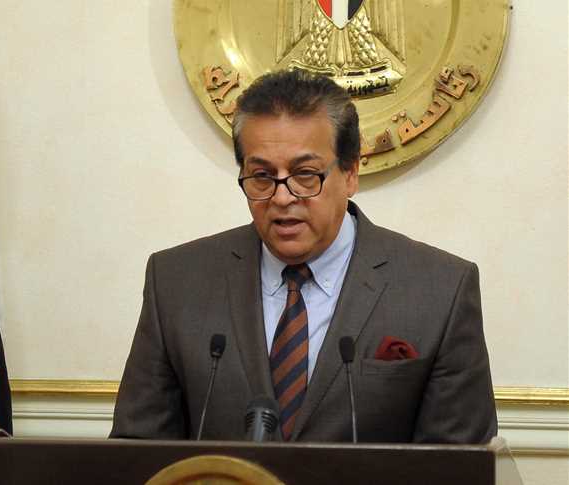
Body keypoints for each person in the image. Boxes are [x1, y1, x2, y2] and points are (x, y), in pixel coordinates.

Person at [110, 70, 497, 443]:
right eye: (262, 176)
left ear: (350, 173)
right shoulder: (176, 282)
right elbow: (137, 452)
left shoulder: (440, 291)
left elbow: (459, 465)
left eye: (305, 174)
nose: (282, 197)